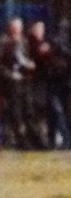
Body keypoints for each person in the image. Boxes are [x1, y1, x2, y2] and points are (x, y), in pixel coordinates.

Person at [0, 17, 44, 150]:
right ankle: (20, 140)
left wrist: (30, 65)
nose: (17, 29)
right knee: (16, 113)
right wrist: (10, 75)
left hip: (25, 81)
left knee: (29, 110)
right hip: (11, 83)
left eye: (19, 27)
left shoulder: (24, 42)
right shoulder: (3, 42)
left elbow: (28, 58)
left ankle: (35, 138)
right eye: (14, 27)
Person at [27, 20, 71, 150]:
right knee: (55, 111)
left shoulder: (54, 43)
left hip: (60, 80)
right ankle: (61, 139)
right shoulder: (48, 43)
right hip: (50, 81)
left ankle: (60, 139)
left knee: (57, 111)